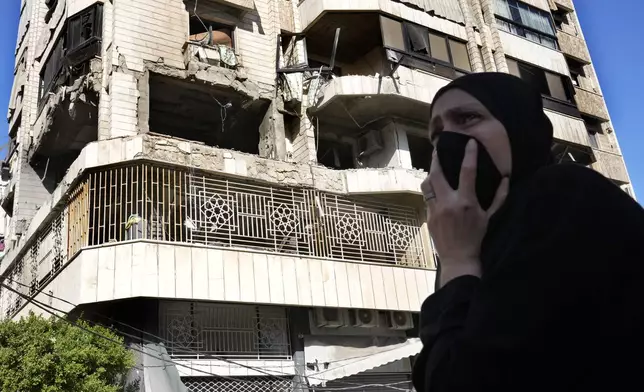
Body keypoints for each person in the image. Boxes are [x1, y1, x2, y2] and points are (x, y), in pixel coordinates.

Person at [412, 72, 644, 392]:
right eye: (436, 135)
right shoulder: (479, 233)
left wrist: (456, 260)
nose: (446, 143)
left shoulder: (565, 196)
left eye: (467, 118)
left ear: (518, 126)